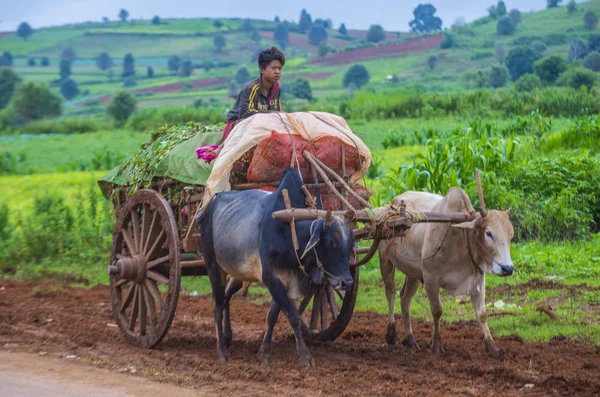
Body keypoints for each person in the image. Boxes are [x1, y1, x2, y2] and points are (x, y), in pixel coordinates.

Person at [208, 47, 286, 158]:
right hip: (239, 122)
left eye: (279, 68)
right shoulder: (251, 88)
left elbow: (277, 112)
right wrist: (271, 114)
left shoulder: (276, 88)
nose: (277, 72)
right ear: (262, 69)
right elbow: (244, 113)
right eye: (273, 68)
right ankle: (221, 148)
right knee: (249, 121)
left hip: (263, 122)